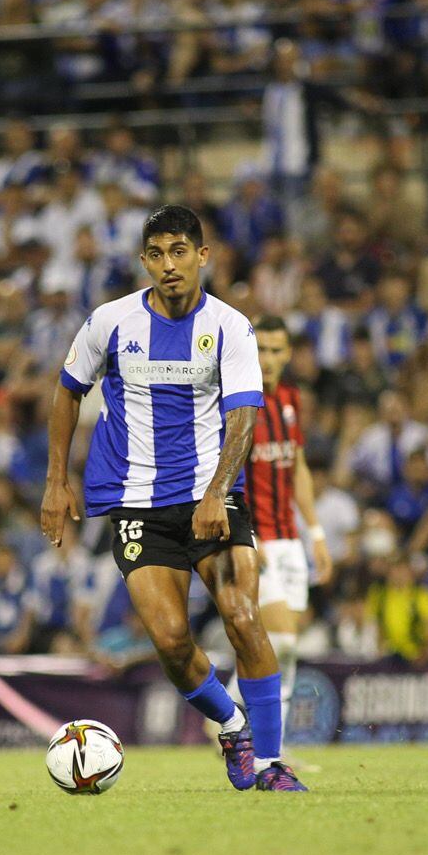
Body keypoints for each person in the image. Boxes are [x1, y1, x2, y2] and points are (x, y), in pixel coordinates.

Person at [41, 205, 305, 792]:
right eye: (157, 254)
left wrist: (216, 491)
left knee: (241, 616)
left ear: (203, 256)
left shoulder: (232, 328)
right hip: (135, 503)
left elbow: (243, 418)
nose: (169, 265)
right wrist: (57, 480)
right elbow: (66, 394)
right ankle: (233, 726)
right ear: (144, 261)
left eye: (180, 251)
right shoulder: (109, 322)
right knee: (169, 638)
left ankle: (270, 765)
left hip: (212, 500)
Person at [238, 316, 333, 731]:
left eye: (276, 350)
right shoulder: (240, 403)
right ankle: (237, 721)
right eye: (261, 350)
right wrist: (245, 537)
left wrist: (316, 534)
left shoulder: (290, 400)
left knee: (287, 647)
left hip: (291, 539)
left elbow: (298, 470)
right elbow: (226, 475)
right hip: (258, 538)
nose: (268, 359)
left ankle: (268, 737)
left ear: (288, 354)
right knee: (282, 640)